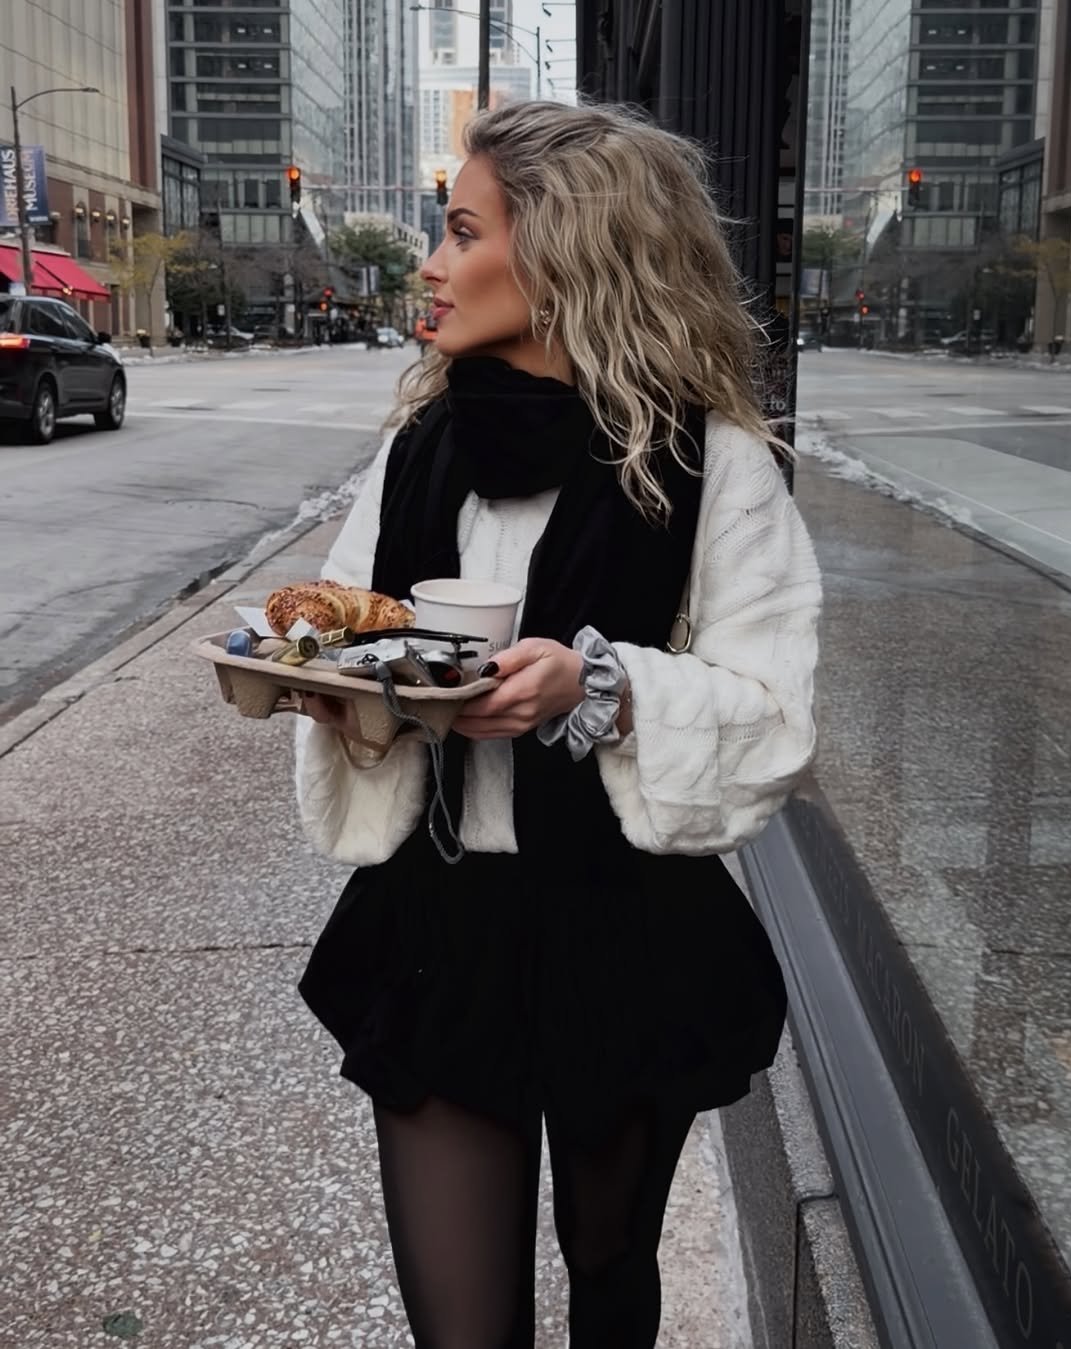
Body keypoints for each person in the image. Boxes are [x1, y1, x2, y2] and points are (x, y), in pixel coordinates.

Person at [294, 100, 821, 1349]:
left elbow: (774, 718)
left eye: (463, 231)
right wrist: (340, 690)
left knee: (609, 1272)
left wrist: (603, 687)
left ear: (568, 251)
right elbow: (347, 627)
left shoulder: (711, 462)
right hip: (442, 928)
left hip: (623, 931)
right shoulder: (418, 450)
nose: (432, 263)